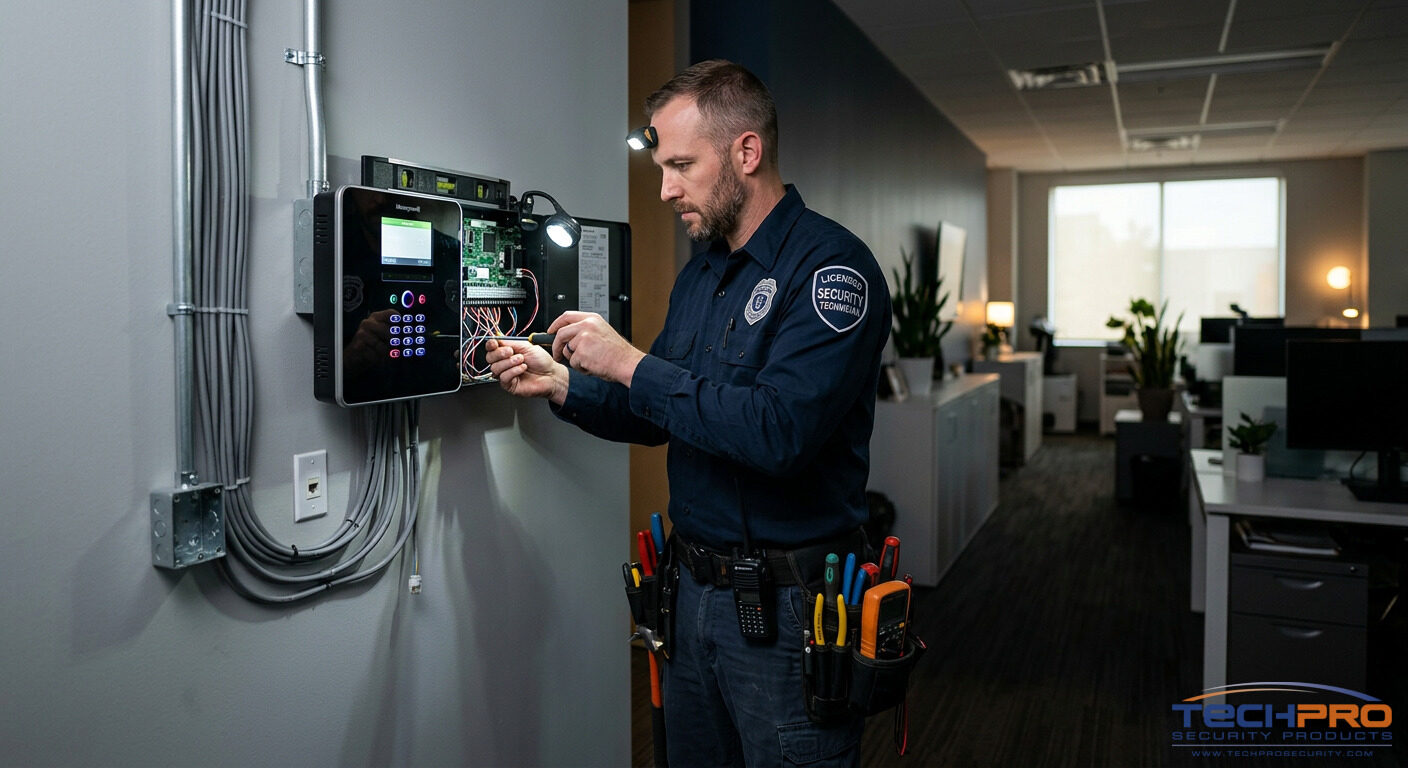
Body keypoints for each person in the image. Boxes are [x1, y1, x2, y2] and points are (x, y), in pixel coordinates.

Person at [486, 59, 890, 767]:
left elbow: (777, 434)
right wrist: (562, 383)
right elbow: (661, 411)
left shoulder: (831, 271)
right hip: (692, 594)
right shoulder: (703, 272)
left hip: (788, 610)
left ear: (746, 152)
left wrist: (630, 362)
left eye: (680, 165)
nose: (666, 189)